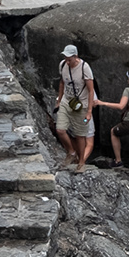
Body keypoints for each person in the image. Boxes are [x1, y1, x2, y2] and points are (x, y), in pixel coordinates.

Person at [54, 44, 97, 172]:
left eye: (69, 58)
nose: (67, 61)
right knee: (60, 130)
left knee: (80, 135)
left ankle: (81, 162)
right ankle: (71, 152)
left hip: (81, 104)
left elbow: (90, 90)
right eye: (65, 58)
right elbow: (62, 83)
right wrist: (59, 100)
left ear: (75, 56)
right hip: (67, 101)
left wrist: (89, 111)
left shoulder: (85, 68)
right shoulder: (63, 65)